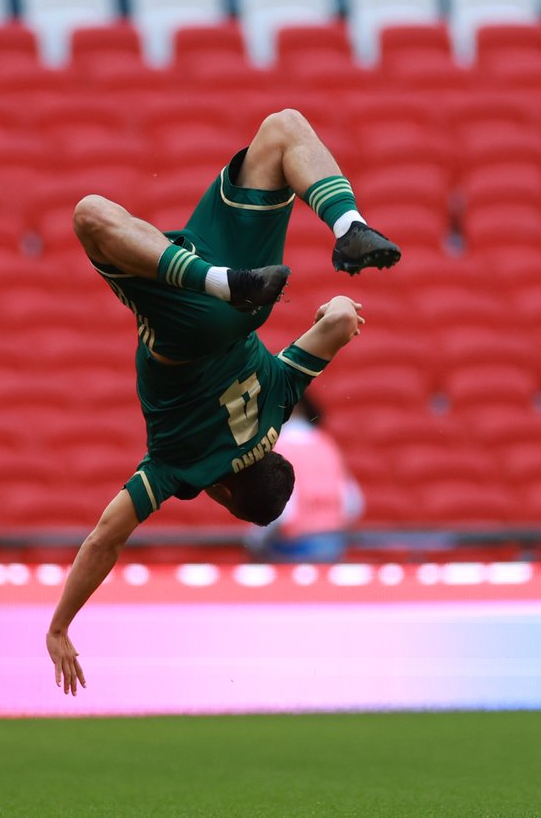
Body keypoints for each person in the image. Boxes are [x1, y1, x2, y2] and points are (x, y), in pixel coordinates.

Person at [46, 109, 401, 695]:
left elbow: (338, 320)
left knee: (283, 128)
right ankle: (221, 279)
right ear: (229, 494)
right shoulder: (182, 467)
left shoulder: (280, 401)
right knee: (90, 215)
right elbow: (104, 537)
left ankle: (347, 225)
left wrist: (338, 308)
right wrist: (60, 626)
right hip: (195, 323)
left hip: (246, 295)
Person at [246, 393, 364, 563]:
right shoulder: (325, 443)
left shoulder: (278, 446)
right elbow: (352, 503)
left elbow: (282, 509)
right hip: (333, 541)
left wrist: (256, 539)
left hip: (294, 544)